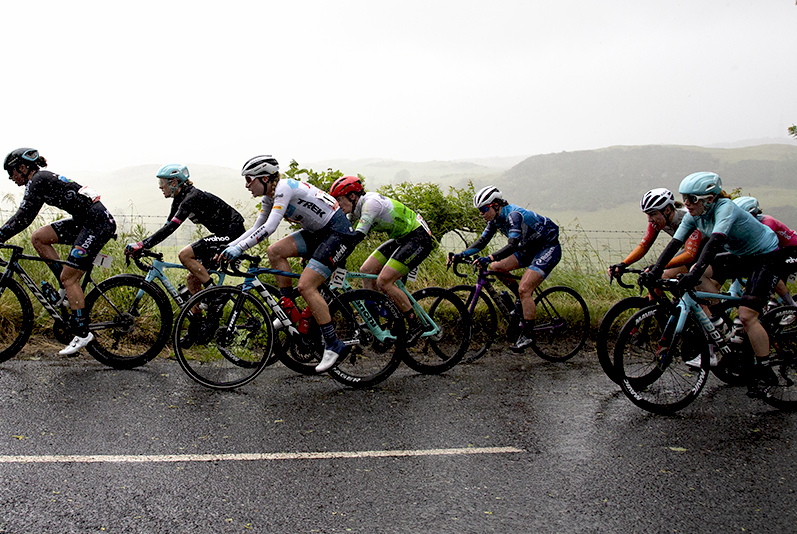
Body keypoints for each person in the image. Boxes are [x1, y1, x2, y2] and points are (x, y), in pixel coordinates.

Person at [640, 172, 782, 399]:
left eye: (692, 199)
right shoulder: (694, 215)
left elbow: (713, 244)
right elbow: (675, 244)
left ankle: (764, 370)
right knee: (696, 278)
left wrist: (692, 273)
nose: (686, 203)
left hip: (765, 256)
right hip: (739, 255)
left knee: (747, 315)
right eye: (685, 198)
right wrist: (654, 271)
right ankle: (717, 323)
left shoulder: (725, 208)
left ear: (710, 198)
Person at [220, 155, 361, 374]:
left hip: (337, 233)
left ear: (265, 178)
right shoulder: (269, 195)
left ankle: (333, 344)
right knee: (275, 251)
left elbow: (270, 228)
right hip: (319, 233)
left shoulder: (284, 189)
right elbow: (257, 227)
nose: (247, 185)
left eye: (249, 180)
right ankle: (287, 308)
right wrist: (230, 246)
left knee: (306, 286)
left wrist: (239, 249)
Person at [0, 148, 116, 357]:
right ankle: (64, 288)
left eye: (11, 172)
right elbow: (26, 219)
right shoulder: (39, 179)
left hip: (97, 223)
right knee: (39, 238)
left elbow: (24, 217)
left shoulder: (38, 180)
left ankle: (82, 332)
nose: (10, 177)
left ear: (23, 168)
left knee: (71, 278)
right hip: (85, 221)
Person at [449, 186, 561, 352]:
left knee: (525, 288)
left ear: (495, 205)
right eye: (479, 210)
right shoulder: (495, 220)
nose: (481, 214)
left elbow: (512, 245)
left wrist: (490, 257)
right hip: (528, 248)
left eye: (483, 209)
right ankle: (520, 303)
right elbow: (482, 242)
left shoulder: (513, 215)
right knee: (496, 268)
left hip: (546, 247)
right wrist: (460, 254)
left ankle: (528, 334)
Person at [328, 175, 436, 338]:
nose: (337, 204)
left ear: (352, 196)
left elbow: (356, 237)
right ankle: (375, 322)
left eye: (339, 199)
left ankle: (415, 324)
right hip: (402, 238)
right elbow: (343, 235)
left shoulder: (371, 204)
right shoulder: (355, 208)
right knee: (366, 270)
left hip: (418, 237)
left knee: (384, 281)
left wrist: (335, 257)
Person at [125, 164, 245, 297]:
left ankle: (215, 295)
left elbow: (170, 229)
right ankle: (199, 316)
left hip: (233, 233)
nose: (160, 186)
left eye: (162, 182)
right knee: (192, 280)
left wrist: (141, 245)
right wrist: (143, 245)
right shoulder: (179, 199)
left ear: (174, 182)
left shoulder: (191, 198)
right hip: (223, 233)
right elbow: (166, 227)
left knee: (185, 255)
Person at [610, 189, 705, 281]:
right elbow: (644, 245)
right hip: (694, 250)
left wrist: (658, 266)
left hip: (711, 250)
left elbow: (689, 255)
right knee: (656, 279)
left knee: (667, 275)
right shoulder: (658, 221)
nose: (649, 220)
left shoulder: (688, 217)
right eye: (647, 214)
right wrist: (623, 264)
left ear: (667, 210)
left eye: (652, 214)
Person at [733, 196, 797, 307]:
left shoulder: (767, 222)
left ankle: (792, 307)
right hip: (781, 252)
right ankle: (772, 308)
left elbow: (767, 252)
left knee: (771, 269)